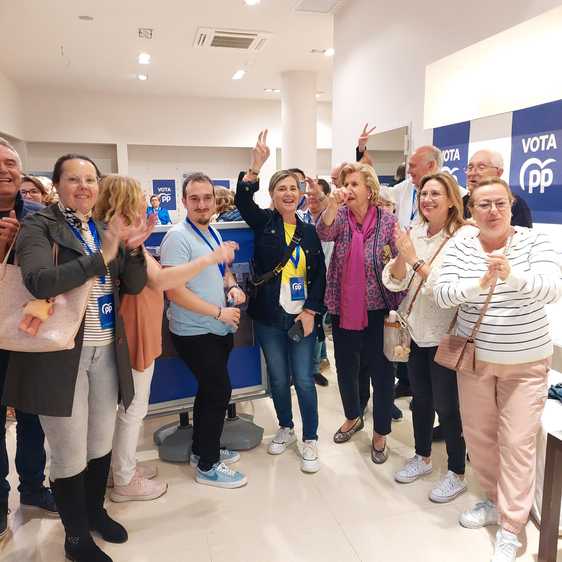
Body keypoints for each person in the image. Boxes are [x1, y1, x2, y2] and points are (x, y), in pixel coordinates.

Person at [3, 153, 148, 562]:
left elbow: (133, 286)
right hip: (60, 355)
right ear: (58, 184)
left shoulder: (102, 227)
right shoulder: (39, 225)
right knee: (68, 450)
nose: (84, 186)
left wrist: (132, 251)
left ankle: (95, 512)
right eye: (73, 179)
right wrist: (102, 256)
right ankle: (75, 536)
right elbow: (37, 281)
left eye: (90, 179)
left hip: (106, 351)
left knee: (100, 441)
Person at [434, 177, 561, 562]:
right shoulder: (461, 244)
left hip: (526, 363)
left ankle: (511, 524)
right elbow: (441, 293)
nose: (492, 212)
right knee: (480, 437)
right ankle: (492, 499)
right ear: (471, 209)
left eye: (499, 204)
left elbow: (551, 288)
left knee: (518, 443)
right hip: (475, 361)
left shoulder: (535, 242)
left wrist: (511, 276)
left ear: (511, 205)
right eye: (484, 205)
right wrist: (480, 282)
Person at [93, 174, 238, 501]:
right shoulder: (117, 242)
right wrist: (208, 263)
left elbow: (156, 278)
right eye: (141, 197)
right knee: (132, 410)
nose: (149, 202)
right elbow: (164, 283)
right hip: (134, 332)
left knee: (135, 409)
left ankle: (124, 471)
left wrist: (226, 283)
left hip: (143, 329)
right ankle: (126, 477)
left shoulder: (129, 242)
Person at [235, 130, 326, 473]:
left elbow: (320, 275)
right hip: (269, 316)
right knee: (277, 377)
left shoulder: (309, 231)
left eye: (293, 188)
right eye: (281, 189)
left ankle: (311, 437)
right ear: (272, 195)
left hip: (301, 316)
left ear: (302, 195)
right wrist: (256, 166)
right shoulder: (264, 223)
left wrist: (311, 310)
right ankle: (286, 427)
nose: (288, 193)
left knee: (303, 378)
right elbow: (244, 201)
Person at [383, 172, 469, 503]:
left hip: (446, 335)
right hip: (414, 332)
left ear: (452, 200)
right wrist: (403, 255)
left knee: (448, 408)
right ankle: (422, 457)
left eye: (436, 193)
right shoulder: (415, 232)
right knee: (420, 399)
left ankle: (457, 472)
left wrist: (414, 259)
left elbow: (449, 293)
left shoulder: (464, 237)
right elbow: (394, 282)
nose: (428, 199)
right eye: (423, 194)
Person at [160, 172, 247, 489]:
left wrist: (233, 287)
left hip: (217, 327)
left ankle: (202, 450)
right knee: (219, 391)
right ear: (184, 201)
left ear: (215, 200)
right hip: (194, 331)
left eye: (207, 198)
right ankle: (208, 466)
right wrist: (219, 312)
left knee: (211, 393)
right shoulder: (177, 237)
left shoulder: (211, 231)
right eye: (194, 199)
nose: (201, 204)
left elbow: (221, 272)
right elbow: (174, 291)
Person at [317, 161, 400, 464]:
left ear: (369, 189)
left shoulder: (387, 221)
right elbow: (324, 232)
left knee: (382, 373)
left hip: (380, 310)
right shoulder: (339, 217)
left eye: (354, 184)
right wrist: (331, 203)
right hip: (343, 308)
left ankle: (380, 431)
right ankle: (353, 416)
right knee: (347, 369)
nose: (348, 189)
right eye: (345, 184)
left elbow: (398, 260)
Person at [0, 139, 57, 539]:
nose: (5, 170)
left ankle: (34, 489)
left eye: (11, 163)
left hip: (32, 329)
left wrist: (28, 246)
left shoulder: (39, 215)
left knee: (34, 415)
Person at [464, 150, 532, 227]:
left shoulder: (515, 203)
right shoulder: (461, 202)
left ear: (499, 172)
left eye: (481, 167)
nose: (472, 173)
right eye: (470, 168)